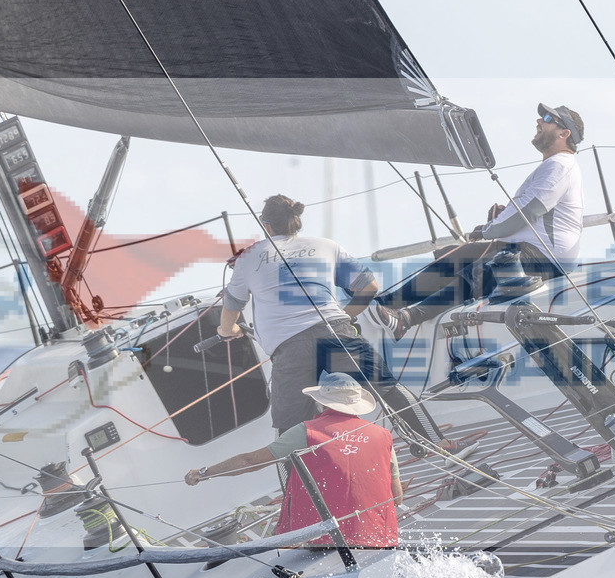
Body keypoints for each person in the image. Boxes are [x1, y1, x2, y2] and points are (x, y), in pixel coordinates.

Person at [221, 195, 442, 446]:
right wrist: (345, 316)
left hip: (291, 349)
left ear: (266, 224)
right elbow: (369, 287)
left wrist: (227, 329)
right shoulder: (326, 245)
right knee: (387, 388)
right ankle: (439, 443)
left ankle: (297, 484)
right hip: (337, 331)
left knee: (289, 425)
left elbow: (232, 305)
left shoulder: (248, 257)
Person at [374, 104, 584, 334]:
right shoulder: (552, 166)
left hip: (546, 257)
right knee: (453, 257)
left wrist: (488, 230)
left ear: (565, 133)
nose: (539, 121)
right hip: (526, 248)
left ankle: (407, 318)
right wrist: (491, 225)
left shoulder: (560, 165)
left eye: (547, 118)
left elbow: (529, 210)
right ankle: (384, 304)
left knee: (481, 269)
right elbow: (525, 212)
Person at [183, 373, 401, 548]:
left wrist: (203, 473)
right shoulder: (383, 436)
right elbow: (397, 497)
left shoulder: (306, 431)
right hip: (378, 540)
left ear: (321, 403)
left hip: (316, 542)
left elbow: (249, 461)